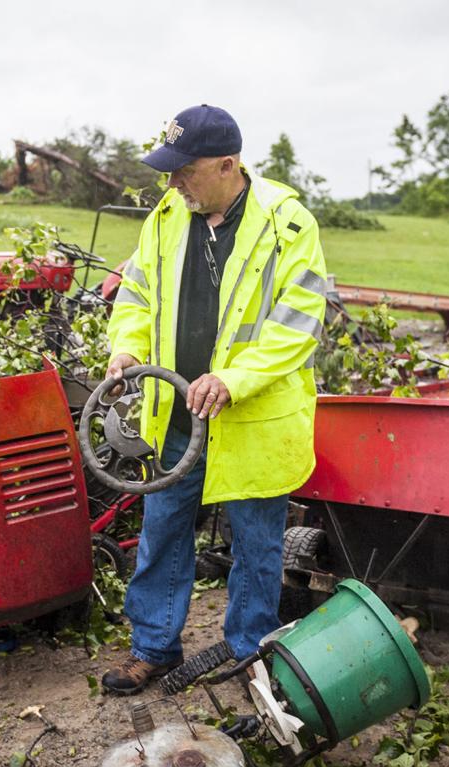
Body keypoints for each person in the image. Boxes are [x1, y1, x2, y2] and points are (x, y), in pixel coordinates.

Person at [101, 104, 328, 695]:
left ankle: (250, 654)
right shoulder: (167, 216)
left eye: (186, 171)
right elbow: (136, 297)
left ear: (228, 165)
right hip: (178, 416)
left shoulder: (289, 223)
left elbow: (297, 324)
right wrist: (125, 349)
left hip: (251, 421)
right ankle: (153, 647)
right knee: (162, 531)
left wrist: (233, 378)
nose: (173, 182)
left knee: (257, 545)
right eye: (170, 171)